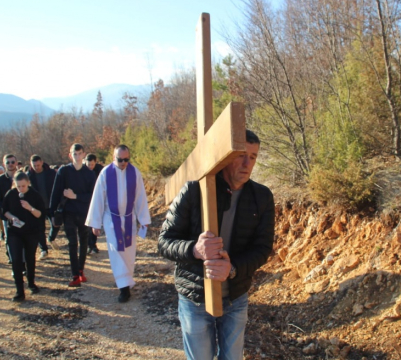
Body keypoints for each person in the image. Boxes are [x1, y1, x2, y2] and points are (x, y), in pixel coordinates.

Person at [158, 130, 275, 360]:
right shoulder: (194, 190)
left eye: (252, 157)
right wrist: (195, 249)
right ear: (225, 155)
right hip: (195, 297)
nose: (246, 163)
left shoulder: (261, 197)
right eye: (241, 155)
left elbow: (262, 249)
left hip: (235, 296)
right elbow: (164, 242)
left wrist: (232, 269)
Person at [86, 145, 151, 303]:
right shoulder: (105, 173)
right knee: (116, 251)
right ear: (114, 157)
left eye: (126, 159)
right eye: (120, 159)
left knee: (128, 252)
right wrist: (95, 223)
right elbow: (98, 198)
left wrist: (144, 220)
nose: (123, 163)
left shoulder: (134, 172)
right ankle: (123, 288)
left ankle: (126, 281)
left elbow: (140, 197)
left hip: (129, 218)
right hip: (111, 219)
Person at [50, 143, 96, 287]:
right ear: (70, 155)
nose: (77, 156)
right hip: (68, 212)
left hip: (83, 213)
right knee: (72, 243)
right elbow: (56, 192)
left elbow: (93, 196)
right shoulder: (63, 171)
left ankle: (81, 271)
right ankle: (75, 274)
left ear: (84, 154)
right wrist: (52, 213)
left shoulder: (89, 174)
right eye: (74, 154)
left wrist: (75, 196)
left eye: (79, 153)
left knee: (84, 242)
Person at [2, 171, 45, 301]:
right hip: (15, 231)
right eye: (18, 186)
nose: (21, 189)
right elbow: (5, 211)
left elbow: (40, 215)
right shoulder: (11, 194)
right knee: (16, 259)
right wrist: (12, 217)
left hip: (31, 231)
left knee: (30, 258)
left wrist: (30, 208)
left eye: (23, 186)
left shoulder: (35, 195)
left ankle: (31, 283)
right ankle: (19, 291)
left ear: (28, 184)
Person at [27, 154, 59, 259]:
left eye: (38, 165)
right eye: (34, 165)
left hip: (51, 204)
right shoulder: (29, 176)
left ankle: (51, 238)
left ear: (42, 162)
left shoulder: (50, 173)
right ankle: (44, 249)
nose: (36, 167)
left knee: (56, 224)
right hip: (38, 206)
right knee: (40, 229)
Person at [84, 153, 104, 254]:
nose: (90, 167)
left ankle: (93, 244)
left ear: (95, 163)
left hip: (97, 200)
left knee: (95, 223)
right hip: (85, 201)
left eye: (92, 164)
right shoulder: (82, 170)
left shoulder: (101, 170)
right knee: (87, 224)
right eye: (88, 165)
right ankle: (88, 245)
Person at [1, 154, 18, 263]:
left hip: (22, 214)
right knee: (9, 238)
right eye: (8, 162)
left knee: (22, 239)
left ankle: (22, 262)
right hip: (6, 214)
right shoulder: (1, 180)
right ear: (4, 164)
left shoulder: (22, 177)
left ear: (16, 163)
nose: (10, 164)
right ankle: (12, 259)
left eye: (12, 162)